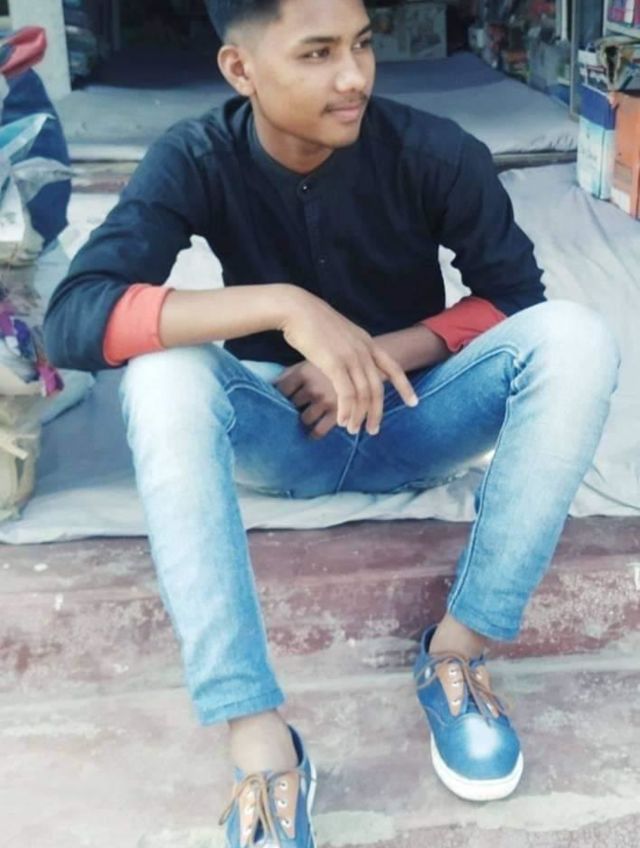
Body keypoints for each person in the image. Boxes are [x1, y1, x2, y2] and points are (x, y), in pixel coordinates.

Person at [43, 0, 620, 844]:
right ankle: (259, 740)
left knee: (575, 337)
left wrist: (377, 352)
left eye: (360, 45)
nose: (353, 78)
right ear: (241, 70)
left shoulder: (435, 152)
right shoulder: (195, 157)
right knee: (162, 373)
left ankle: (456, 652)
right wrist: (287, 307)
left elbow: (515, 299)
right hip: (281, 430)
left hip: (417, 420)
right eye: (316, 54)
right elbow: (74, 320)